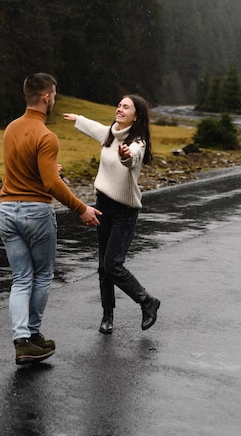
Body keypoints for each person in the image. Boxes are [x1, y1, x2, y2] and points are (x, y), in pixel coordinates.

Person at [0, 73, 101, 366]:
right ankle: (32, 333)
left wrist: (48, 170)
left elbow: (18, 168)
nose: (54, 99)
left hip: (7, 210)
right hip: (35, 213)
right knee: (41, 275)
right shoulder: (46, 136)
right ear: (46, 98)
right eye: (54, 95)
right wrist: (82, 209)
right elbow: (51, 185)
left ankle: (23, 341)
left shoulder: (11, 128)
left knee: (21, 278)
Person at [63, 95, 160, 335]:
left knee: (112, 265)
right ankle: (108, 315)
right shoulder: (109, 133)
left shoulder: (138, 142)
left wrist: (126, 156)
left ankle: (147, 301)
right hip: (102, 205)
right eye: (118, 105)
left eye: (125, 107)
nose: (119, 108)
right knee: (102, 267)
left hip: (125, 211)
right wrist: (77, 118)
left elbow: (132, 157)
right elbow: (94, 127)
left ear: (136, 116)